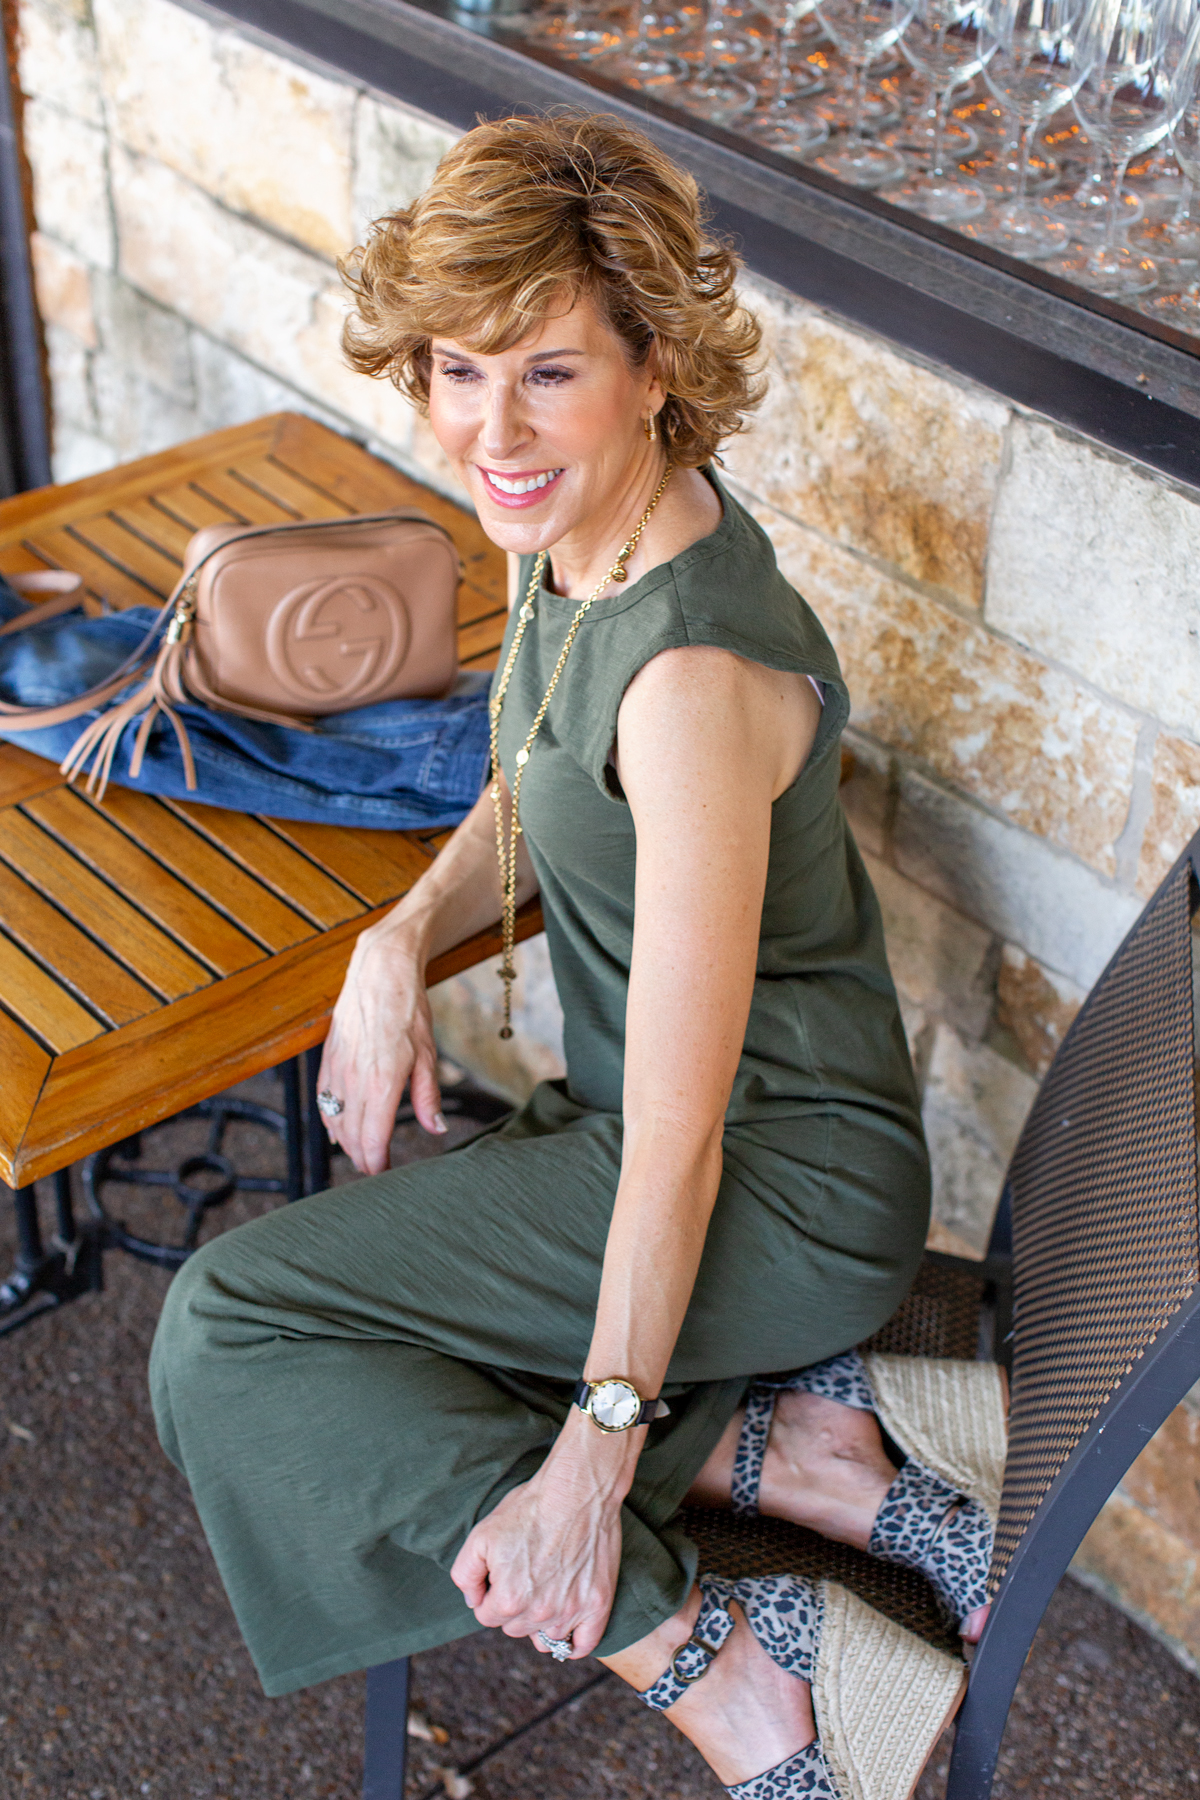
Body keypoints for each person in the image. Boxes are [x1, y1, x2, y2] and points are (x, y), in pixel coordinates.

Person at [150, 112, 997, 1799]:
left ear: (655, 363)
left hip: (774, 1177)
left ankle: (719, 1658)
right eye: (460, 370)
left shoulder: (688, 679)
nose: (493, 429)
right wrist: (399, 941)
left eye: (547, 372)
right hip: (652, 1134)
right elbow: (532, 772)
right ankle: (797, 1457)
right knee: (326, 1327)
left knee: (232, 1331)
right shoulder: (582, 533)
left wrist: (597, 1454)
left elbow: (680, 1137)